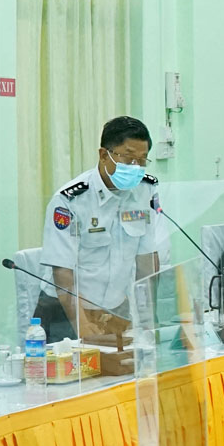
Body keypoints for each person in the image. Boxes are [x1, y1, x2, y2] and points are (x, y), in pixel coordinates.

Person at [36, 116, 163, 341]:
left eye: (142, 160)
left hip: (115, 310)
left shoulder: (146, 190)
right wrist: (83, 328)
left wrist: (147, 318)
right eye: (129, 158)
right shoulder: (70, 200)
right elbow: (63, 272)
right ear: (104, 155)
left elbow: (147, 261)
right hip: (66, 313)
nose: (136, 167)